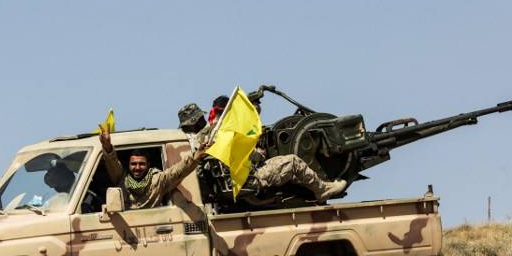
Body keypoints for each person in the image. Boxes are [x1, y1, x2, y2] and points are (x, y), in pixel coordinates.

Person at [202, 94, 348, 202]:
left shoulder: (209, 133)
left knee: (286, 170)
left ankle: (313, 187)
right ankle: (323, 190)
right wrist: (258, 153)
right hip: (249, 180)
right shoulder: (227, 132)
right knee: (292, 162)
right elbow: (252, 157)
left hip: (228, 185)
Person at [98, 124, 208, 209]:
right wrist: (107, 146)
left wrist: (195, 158)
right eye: (133, 164)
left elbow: (177, 171)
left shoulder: (157, 180)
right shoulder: (122, 178)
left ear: (148, 165)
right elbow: (112, 163)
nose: (137, 168)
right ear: (128, 165)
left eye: (141, 164)